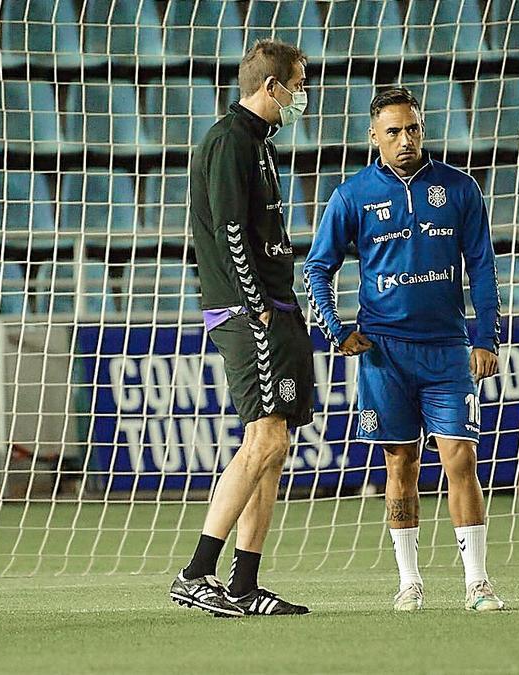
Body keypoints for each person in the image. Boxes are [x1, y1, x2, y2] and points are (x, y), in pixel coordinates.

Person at [303, 87, 504, 612]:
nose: (405, 139)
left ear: (423, 129)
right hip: (384, 353)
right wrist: (335, 328)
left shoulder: (458, 189)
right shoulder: (351, 195)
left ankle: (477, 582)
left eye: (412, 128)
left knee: (460, 457)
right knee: (401, 464)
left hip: (446, 348)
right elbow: (318, 268)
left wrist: (485, 337)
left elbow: (482, 267)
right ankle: (409, 581)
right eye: (392, 131)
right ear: (374, 137)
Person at [170, 39, 314, 617]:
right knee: (265, 438)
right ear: (272, 86)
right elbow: (231, 232)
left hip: (273, 306)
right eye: (298, 84)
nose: (303, 95)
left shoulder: (256, 144)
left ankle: (245, 584)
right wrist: (255, 304)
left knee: (276, 445)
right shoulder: (230, 141)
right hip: (247, 309)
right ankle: (197, 573)